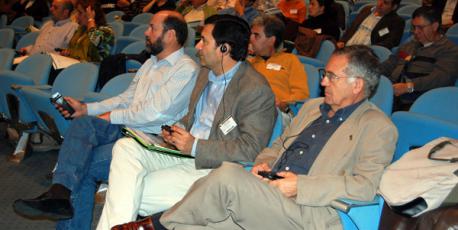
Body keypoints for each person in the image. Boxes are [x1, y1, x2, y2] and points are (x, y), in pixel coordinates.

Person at [117, 45, 399, 230]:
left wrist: (300, 186)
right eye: (324, 74)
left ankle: (153, 225)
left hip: (312, 212)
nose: (323, 81)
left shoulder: (377, 126)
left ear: (357, 84)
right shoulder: (313, 108)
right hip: (269, 192)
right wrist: (263, 164)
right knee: (198, 224)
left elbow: (364, 187)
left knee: (227, 175)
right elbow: (278, 145)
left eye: (331, 76)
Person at [12, 10, 199, 230]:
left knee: (83, 162)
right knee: (82, 122)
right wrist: (87, 108)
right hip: (129, 129)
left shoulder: (185, 69)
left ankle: (61, 197)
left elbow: (154, 114)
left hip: (152, 140)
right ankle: (59, 193)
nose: (146, 33)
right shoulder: (151, 64)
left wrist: (109, 116)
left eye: (152, 28)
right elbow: (125, 98)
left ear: (171, 35)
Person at [98, 14, 276, 229]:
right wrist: (177, 129)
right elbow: (192, 118)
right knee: (125, 147)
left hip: (212, 167)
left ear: (224, 49)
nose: (198, 46)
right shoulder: (204, 73)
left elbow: (250, 149)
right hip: (181, 153)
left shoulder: (254, 89)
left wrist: (195, 145)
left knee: (125, 191)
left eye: (204, 40)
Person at [379, 6, 458, 110]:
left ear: (434, 26)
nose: (415, 32)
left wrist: (409, 87)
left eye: (420, 27)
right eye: (414, 27)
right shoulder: (409, 46)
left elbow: (440, 79)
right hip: (391, 92)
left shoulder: (449, 50)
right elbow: (390, 63)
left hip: (418, 100)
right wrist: (369, 73)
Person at [248, 15, 309, 114]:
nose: (251, 39)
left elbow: (301, 94)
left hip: (277, 113)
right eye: (251, 35)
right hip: (250, 110)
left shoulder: (290, 60)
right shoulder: (248, 63)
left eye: (256, 35)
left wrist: (283, 104)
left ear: (271, 40)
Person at [337, 0, 404, 50]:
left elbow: (389, 43)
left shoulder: (397, 22)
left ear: (394, 7)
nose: (380, 4)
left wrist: (369, 50)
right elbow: (352, 28)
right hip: (346, 48)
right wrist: (342, 41)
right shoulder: (367, 9)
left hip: (365, 54)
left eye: (385, 3)